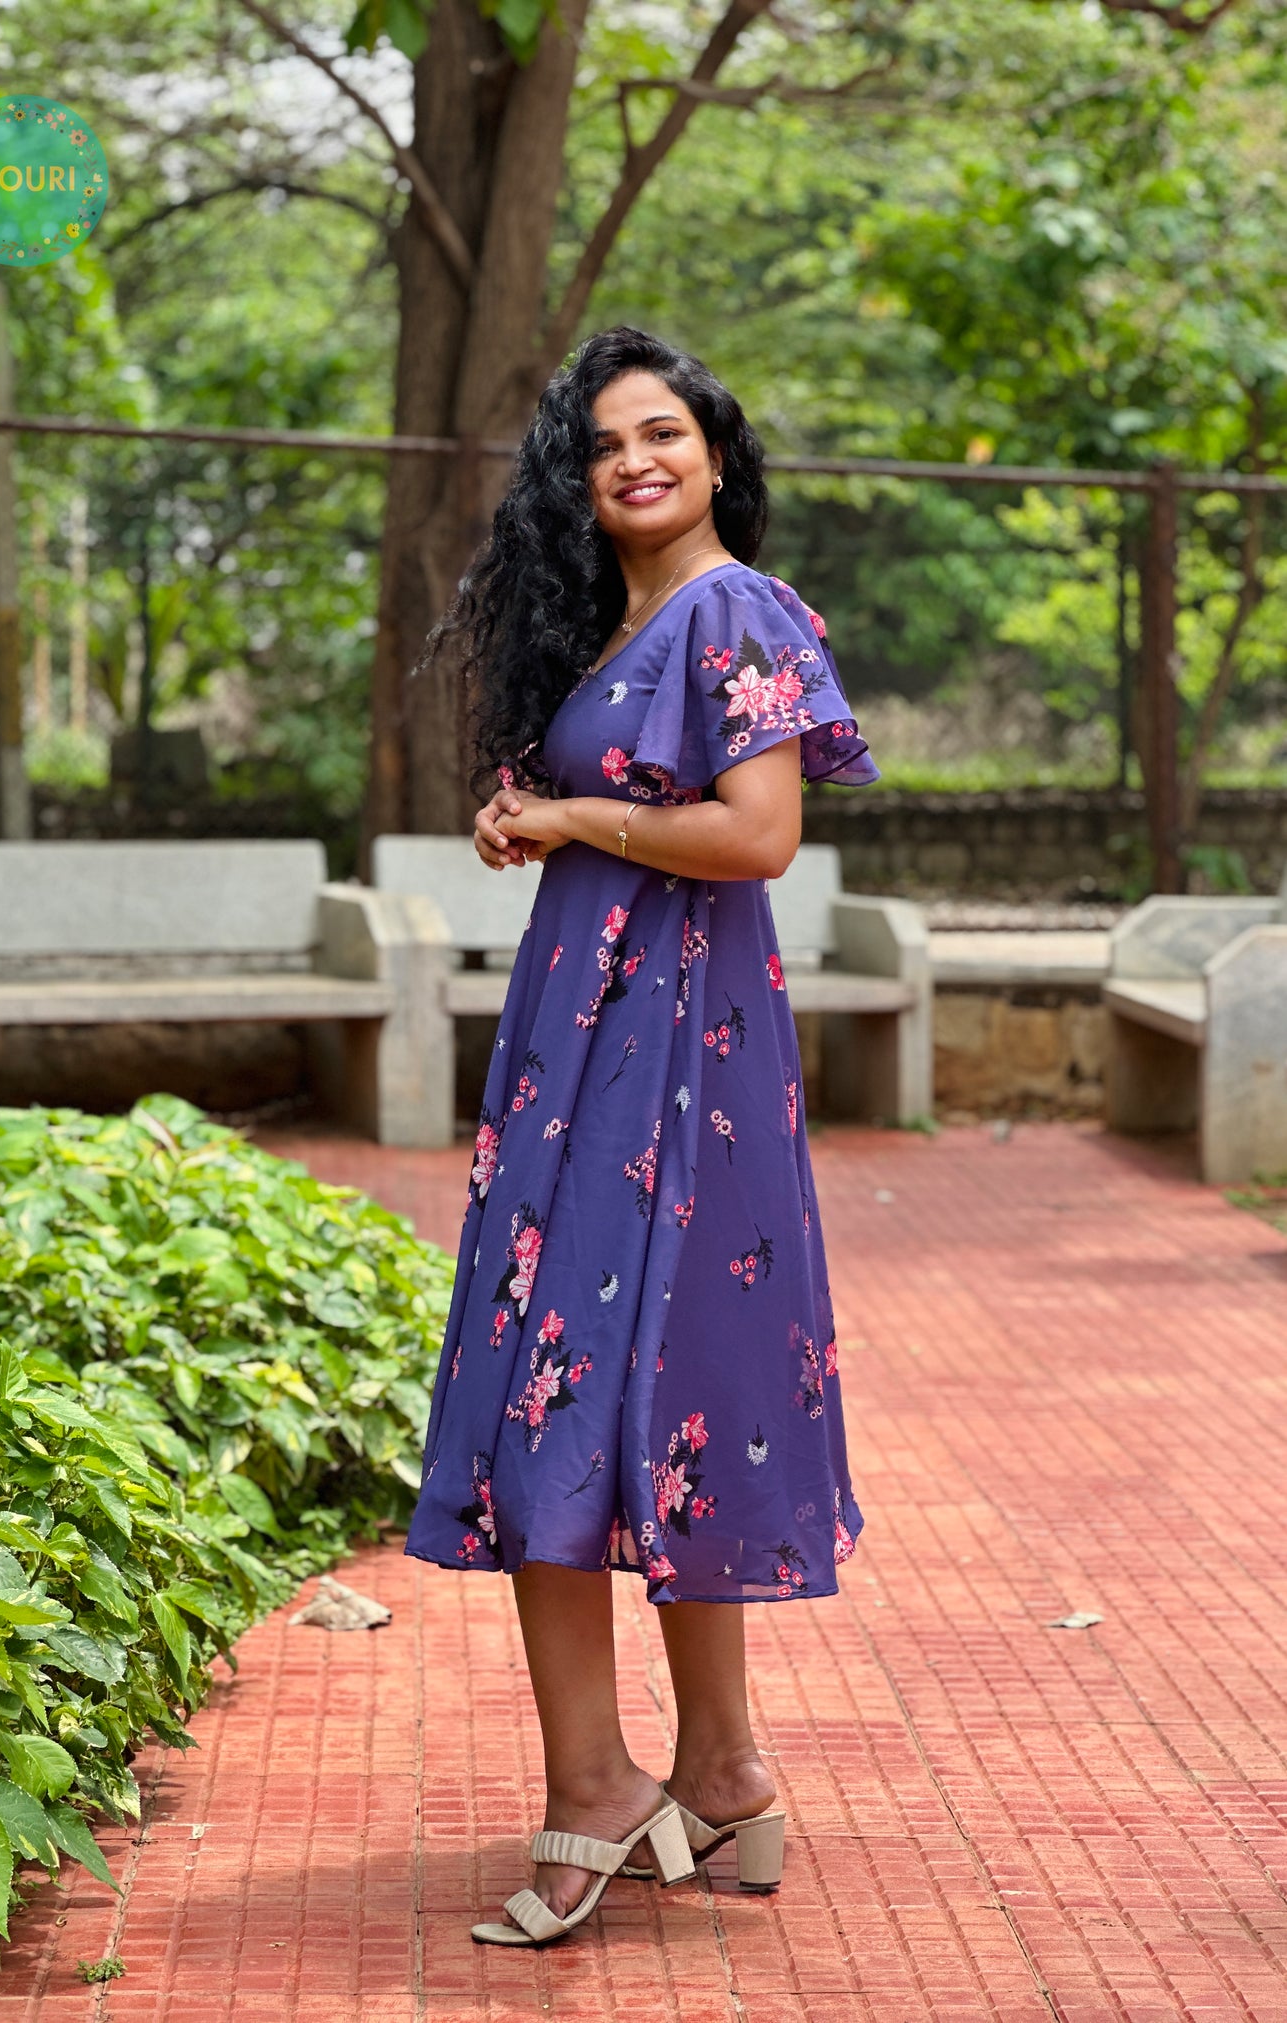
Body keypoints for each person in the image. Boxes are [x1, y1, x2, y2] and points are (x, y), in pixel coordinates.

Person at [403, 325, 881, 1947]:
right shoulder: (620, 625)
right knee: (648, 1392)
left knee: (570, 1391)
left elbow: (755, 835)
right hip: (590, 1043)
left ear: (717, 454)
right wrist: (521, 808)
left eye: (661, 432)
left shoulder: (728, 607)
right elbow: (604, 815)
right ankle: (726, 1770)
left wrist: (567, 813)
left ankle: (600, 1786)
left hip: (678, 1053)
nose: (633, 462)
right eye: (603, 445)